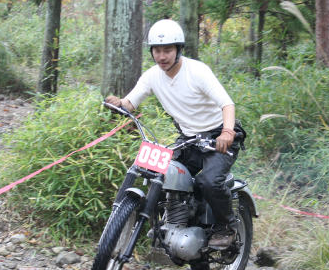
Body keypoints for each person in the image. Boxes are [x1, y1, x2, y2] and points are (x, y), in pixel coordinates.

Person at [105, 19, 245, 249]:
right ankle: (168, 222)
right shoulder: (152, 76)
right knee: (159, 173)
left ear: (179, 50)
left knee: (209, 181)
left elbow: (227, 104)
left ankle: (226, 227)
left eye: (168, 50)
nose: (162, 56)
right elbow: (130, 102)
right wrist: (118, 103)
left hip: (219, 136)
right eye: (157, 51)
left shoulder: (197, 71)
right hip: (189, 139)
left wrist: (228, 132)